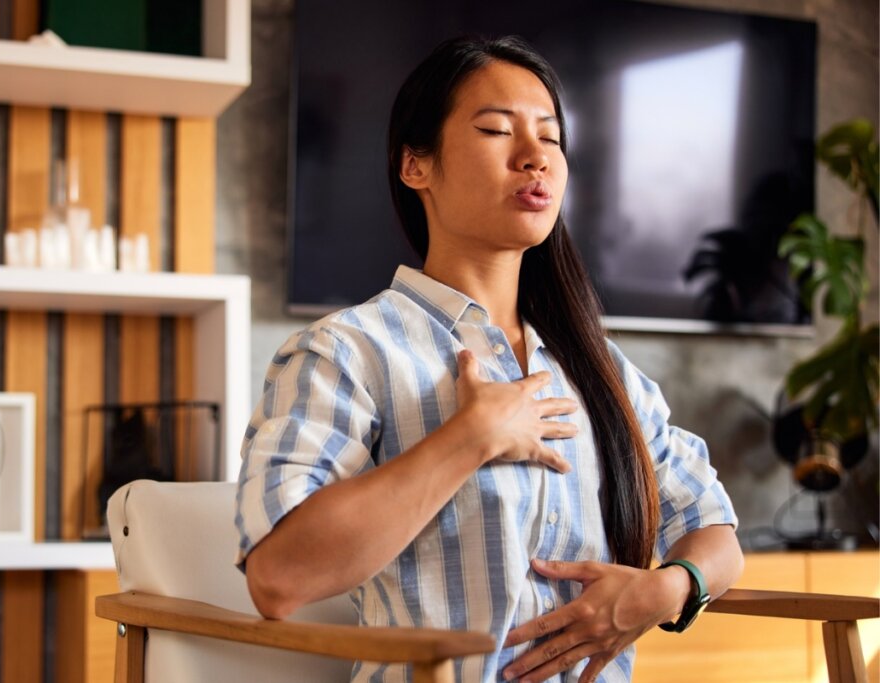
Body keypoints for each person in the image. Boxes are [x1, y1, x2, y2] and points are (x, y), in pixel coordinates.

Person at [235, 35, 743, 683]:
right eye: (497, 130)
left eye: (552, 138)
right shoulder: (349, 350)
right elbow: (278, 579)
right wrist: (468, 438)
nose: (536, 158)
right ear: (415, 165)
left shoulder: (603, 370)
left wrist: (669, 589)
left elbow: (714, 529)